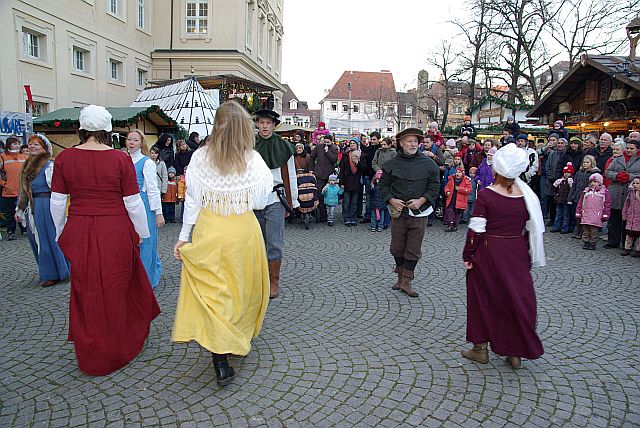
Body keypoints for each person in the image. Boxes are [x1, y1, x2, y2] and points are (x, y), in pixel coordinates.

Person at [50, 104, 160, 375]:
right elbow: (133, 202)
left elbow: (57, 202)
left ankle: (91, 349)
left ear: (82, 129)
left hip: (80, 227)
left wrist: (61, 231)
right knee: (116, 285)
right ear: (107, 130)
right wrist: (141, 233)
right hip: (114, 229)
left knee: (84, 288)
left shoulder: (64, 158)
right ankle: (116, 344)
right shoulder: (120, 160)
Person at [172, 101, 273, 387]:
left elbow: (192, 200)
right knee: (241, 289)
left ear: (217, 126)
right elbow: (261, 201)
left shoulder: (199, 157)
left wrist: (183, 236)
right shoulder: (253, 159)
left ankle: (220, 357)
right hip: (242, 231)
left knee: (215, 291)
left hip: (210, 229)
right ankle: (229, 343)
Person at [461, 143, 545, 369]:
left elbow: (476, 230)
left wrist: (468, 254)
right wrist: (525, 254)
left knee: (482, 298)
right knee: (515, 298)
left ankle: (480, 348)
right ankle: (514, 351)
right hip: (517, 251)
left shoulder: (486, 195)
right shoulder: (526, 196)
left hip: (489, 252)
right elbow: (530, 229)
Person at [379, 127, 440, 298]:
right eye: (409, 141)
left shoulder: (429, 164)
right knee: (396, 248)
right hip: (398, 212)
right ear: (401, 143)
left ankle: (406, 281)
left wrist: (422, 200)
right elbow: (383, 186)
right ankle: (400, 277)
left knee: (413, 249)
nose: (413, 144)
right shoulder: (391, 164)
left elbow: (435, 186)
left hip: (419, 213)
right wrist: (391, 200)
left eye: (415, 141)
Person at [253, 109, 298, 299]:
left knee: (274, 243)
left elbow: (290, 175)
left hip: (275, 199)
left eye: (268, 123)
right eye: (261, 123)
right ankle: (259, 279)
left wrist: (292, 202)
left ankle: (274, 280)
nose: (264, 126)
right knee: (256, 242)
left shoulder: (283, 147)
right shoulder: (249, 145)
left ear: (274, 125)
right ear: (257, 124)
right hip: (254, 200)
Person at [15, 134, 69, 287]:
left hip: (48, 205)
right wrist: (20, 209)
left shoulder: (49, 165)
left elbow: (58, 189)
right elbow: (23, 191)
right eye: (30, 144)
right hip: (34, 206)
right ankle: (48, 271)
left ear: (44, 148)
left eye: (36, 144)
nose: (32, 147)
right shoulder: (26, 166)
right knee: (38, 240)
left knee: (50, 238)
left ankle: (58, 271)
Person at [126, 130, 164, 289]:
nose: (131, 142)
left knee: (146, 241)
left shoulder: (146, 162)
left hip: (143, 205)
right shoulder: (123, 159)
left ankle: (146, 278)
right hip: (126, 205)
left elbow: (153, 189)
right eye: (129, 139)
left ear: (141, 143)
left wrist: (158, 213)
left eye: (135, 140)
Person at [604, 139, 640, 248]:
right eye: (627, 148)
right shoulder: (617, 159)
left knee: (628, 220)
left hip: (631, 194)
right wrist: (617, 176)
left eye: (631, 148)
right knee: (614, 219)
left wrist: (630, 177)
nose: (629, 150)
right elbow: (607, 172)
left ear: (637, 149)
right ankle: (613, 241)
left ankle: (627, 244)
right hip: (616, 192)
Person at [1, 136, 28, 240]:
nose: (17, 145)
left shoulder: (24, 157)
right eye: (14, 143)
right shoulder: (2, 157)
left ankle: (24, 230)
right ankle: (11, 232)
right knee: (9, 214)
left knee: (23, 211)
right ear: (8, 145)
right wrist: (4, 183)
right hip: (8, 191)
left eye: (18, 143)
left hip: (22, 191)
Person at [576, 173, 611, 250]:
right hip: (586, 215)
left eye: (595, 182)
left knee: (594, 231)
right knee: (585, 230)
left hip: (596, 216)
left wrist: (605, 214)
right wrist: (578, 211)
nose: (592, 184)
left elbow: (607, 204)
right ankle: (586, 242)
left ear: (600, 182)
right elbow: (581, 202)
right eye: (591, 182)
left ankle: (592, 243)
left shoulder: (604, 192)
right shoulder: (586, 191)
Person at [567, 155, 600, 239]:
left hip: (588, 198)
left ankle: (584, 233)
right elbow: (574, 185)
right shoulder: (579, 173)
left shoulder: (594, 174)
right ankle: (578, 231)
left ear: (592, 163)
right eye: (584, 162)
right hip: (577, 196)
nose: (585, 164)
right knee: (578, 215)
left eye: (587, 162)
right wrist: (570, 197)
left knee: (586, 216)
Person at [310, 134, 339, 222]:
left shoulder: (334, 149)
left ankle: (330, 214)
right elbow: (312, 157)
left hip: (329, 176)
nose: (326, 144)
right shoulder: (319, 147)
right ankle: (323, 215)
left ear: (331, 142)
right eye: (325, 142)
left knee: (329, 195)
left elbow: (334, 160)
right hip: (319, 174)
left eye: (328, 142)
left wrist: (327, 152)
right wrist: (312, 169)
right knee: (320, 195)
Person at [339, 149, 363, 226]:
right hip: (347, 183)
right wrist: (341, 183)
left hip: (356, 184)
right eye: (354, 156)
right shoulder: (345, 158)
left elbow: (364, 169)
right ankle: (347, 219)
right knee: (346, 202)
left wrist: (357, 163)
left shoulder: (360, 161)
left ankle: (353, 218)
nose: (354, 157)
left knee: (354, 202)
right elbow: (341, 171)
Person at [444, 167, 471, 232]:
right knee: (450, 211)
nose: (457, 174)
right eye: (456, 172)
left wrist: (460, 189)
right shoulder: (451, 179)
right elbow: (447, 187)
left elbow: (469, 190)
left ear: (462, 173)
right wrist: (447, 191)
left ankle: (455, 225)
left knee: (457, 213)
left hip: (460, 201)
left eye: (459, 172)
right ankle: (450, 225)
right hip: (451, 199)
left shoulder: (466, 181)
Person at [550, 163, 574, 234]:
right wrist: (555, 184)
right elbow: (554, 189)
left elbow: (572, 190)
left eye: (568, 173)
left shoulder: (571, 181)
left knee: (565, 215)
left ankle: (564, 228)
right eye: (565, 172)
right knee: (558, 214)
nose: (566, 174)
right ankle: (556, 226)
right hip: (559, 200)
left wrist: (571, 185)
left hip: (566, 200)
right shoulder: (560, 181)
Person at [621, 177, 640, 257]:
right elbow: (626, 205)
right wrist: (624, 214)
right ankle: (627, 248)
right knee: (629, 234)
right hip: (630, 216)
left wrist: (638, 196)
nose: (635, 185)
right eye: (634, 183)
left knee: (639, 235)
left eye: (637, 183)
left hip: (638, 218)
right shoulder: (630, 193)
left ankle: (638, 250)